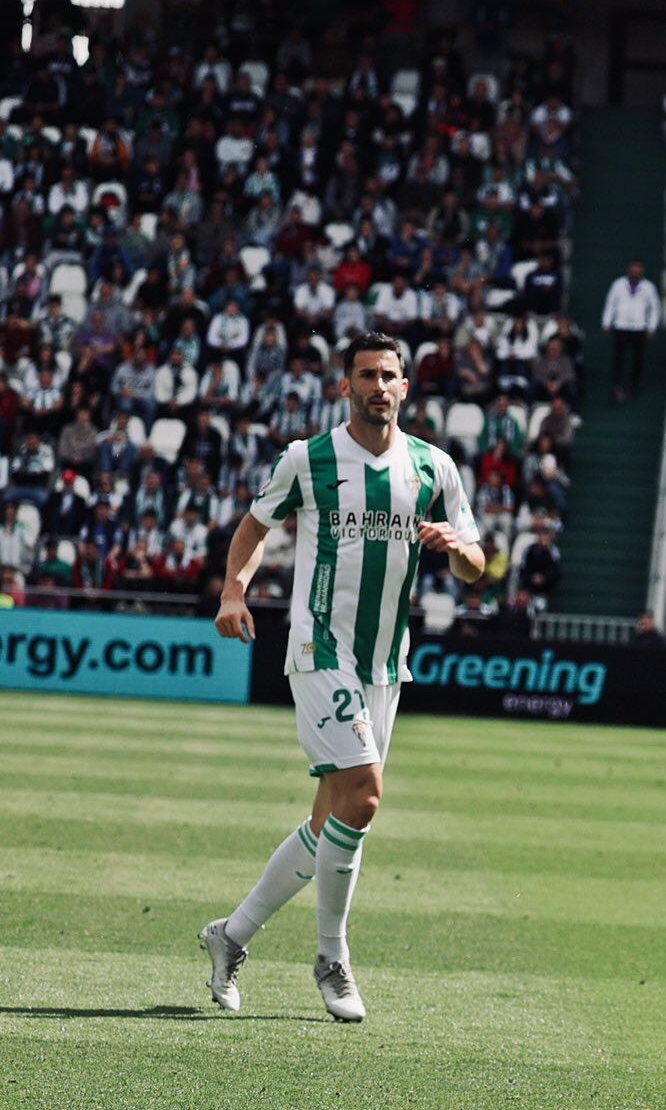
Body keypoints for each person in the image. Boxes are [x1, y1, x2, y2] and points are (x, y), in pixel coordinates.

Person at [199, 332, 485, 1020]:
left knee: (333, 817)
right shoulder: (309, 458)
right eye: (366, 375)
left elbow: (476, 563)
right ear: (345, 386)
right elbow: (254, 524)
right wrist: (233, 590)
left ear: (405, 388)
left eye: (390, 375)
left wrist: (456, 548)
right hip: (320, 649)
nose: (378, 386)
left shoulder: (433, 466)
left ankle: (230, 935)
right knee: (365, 795)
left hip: (386, 662)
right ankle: (332, 957)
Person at [600, 259, 660, 403]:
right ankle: (617, 387)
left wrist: (651, 327)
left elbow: (655, 308)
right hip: (621, 326)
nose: (635, 273)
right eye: (633, 270)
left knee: (637, 359)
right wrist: (606, 322)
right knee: (618, 358)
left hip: (639, 327)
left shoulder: (648, 287)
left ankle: (633, 387)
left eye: (638, 270)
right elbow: (610, 303)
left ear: (642, 272)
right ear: (629, 270)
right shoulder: (618, 284)